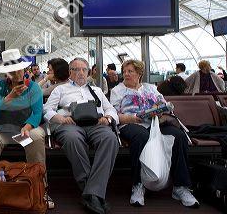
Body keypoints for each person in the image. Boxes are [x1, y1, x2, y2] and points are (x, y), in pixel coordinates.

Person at [0, 49, 54, 213]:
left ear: (24, 70)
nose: (15, 74)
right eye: (11, 71)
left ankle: (40, 188)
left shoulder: (34, 88)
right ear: (6, 73)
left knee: (37, 136)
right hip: (1, 130)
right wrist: (9, 97)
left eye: (18, 70)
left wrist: (28, 126)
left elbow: (37, 113)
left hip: (22, 131)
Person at [110, 59, 199, 208]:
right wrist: (134, 118)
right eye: (124, 71)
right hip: (130, 123)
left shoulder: (151, 88)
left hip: (154, 122)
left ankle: (180, 187)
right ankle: (138, 185)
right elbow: (114, 114)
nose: (126, 74)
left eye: (130, 71)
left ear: (139, 73)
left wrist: (158, 109)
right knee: (141, 136)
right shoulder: (117, 91)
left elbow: (163, 105)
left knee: (179, 136)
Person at [43, 57, 119, 214]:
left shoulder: (96, 90)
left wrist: (108, 118)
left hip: (96, 124)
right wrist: (61, 119)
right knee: (73, 139)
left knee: (110, 139)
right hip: (70, 125)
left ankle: (90, 194)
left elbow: (110, 109)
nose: (81, 73)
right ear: (70, 72)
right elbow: (47, 110)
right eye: (76, 69)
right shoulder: (60, 89)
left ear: (88, 72)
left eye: (84, 69)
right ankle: (94, 193)